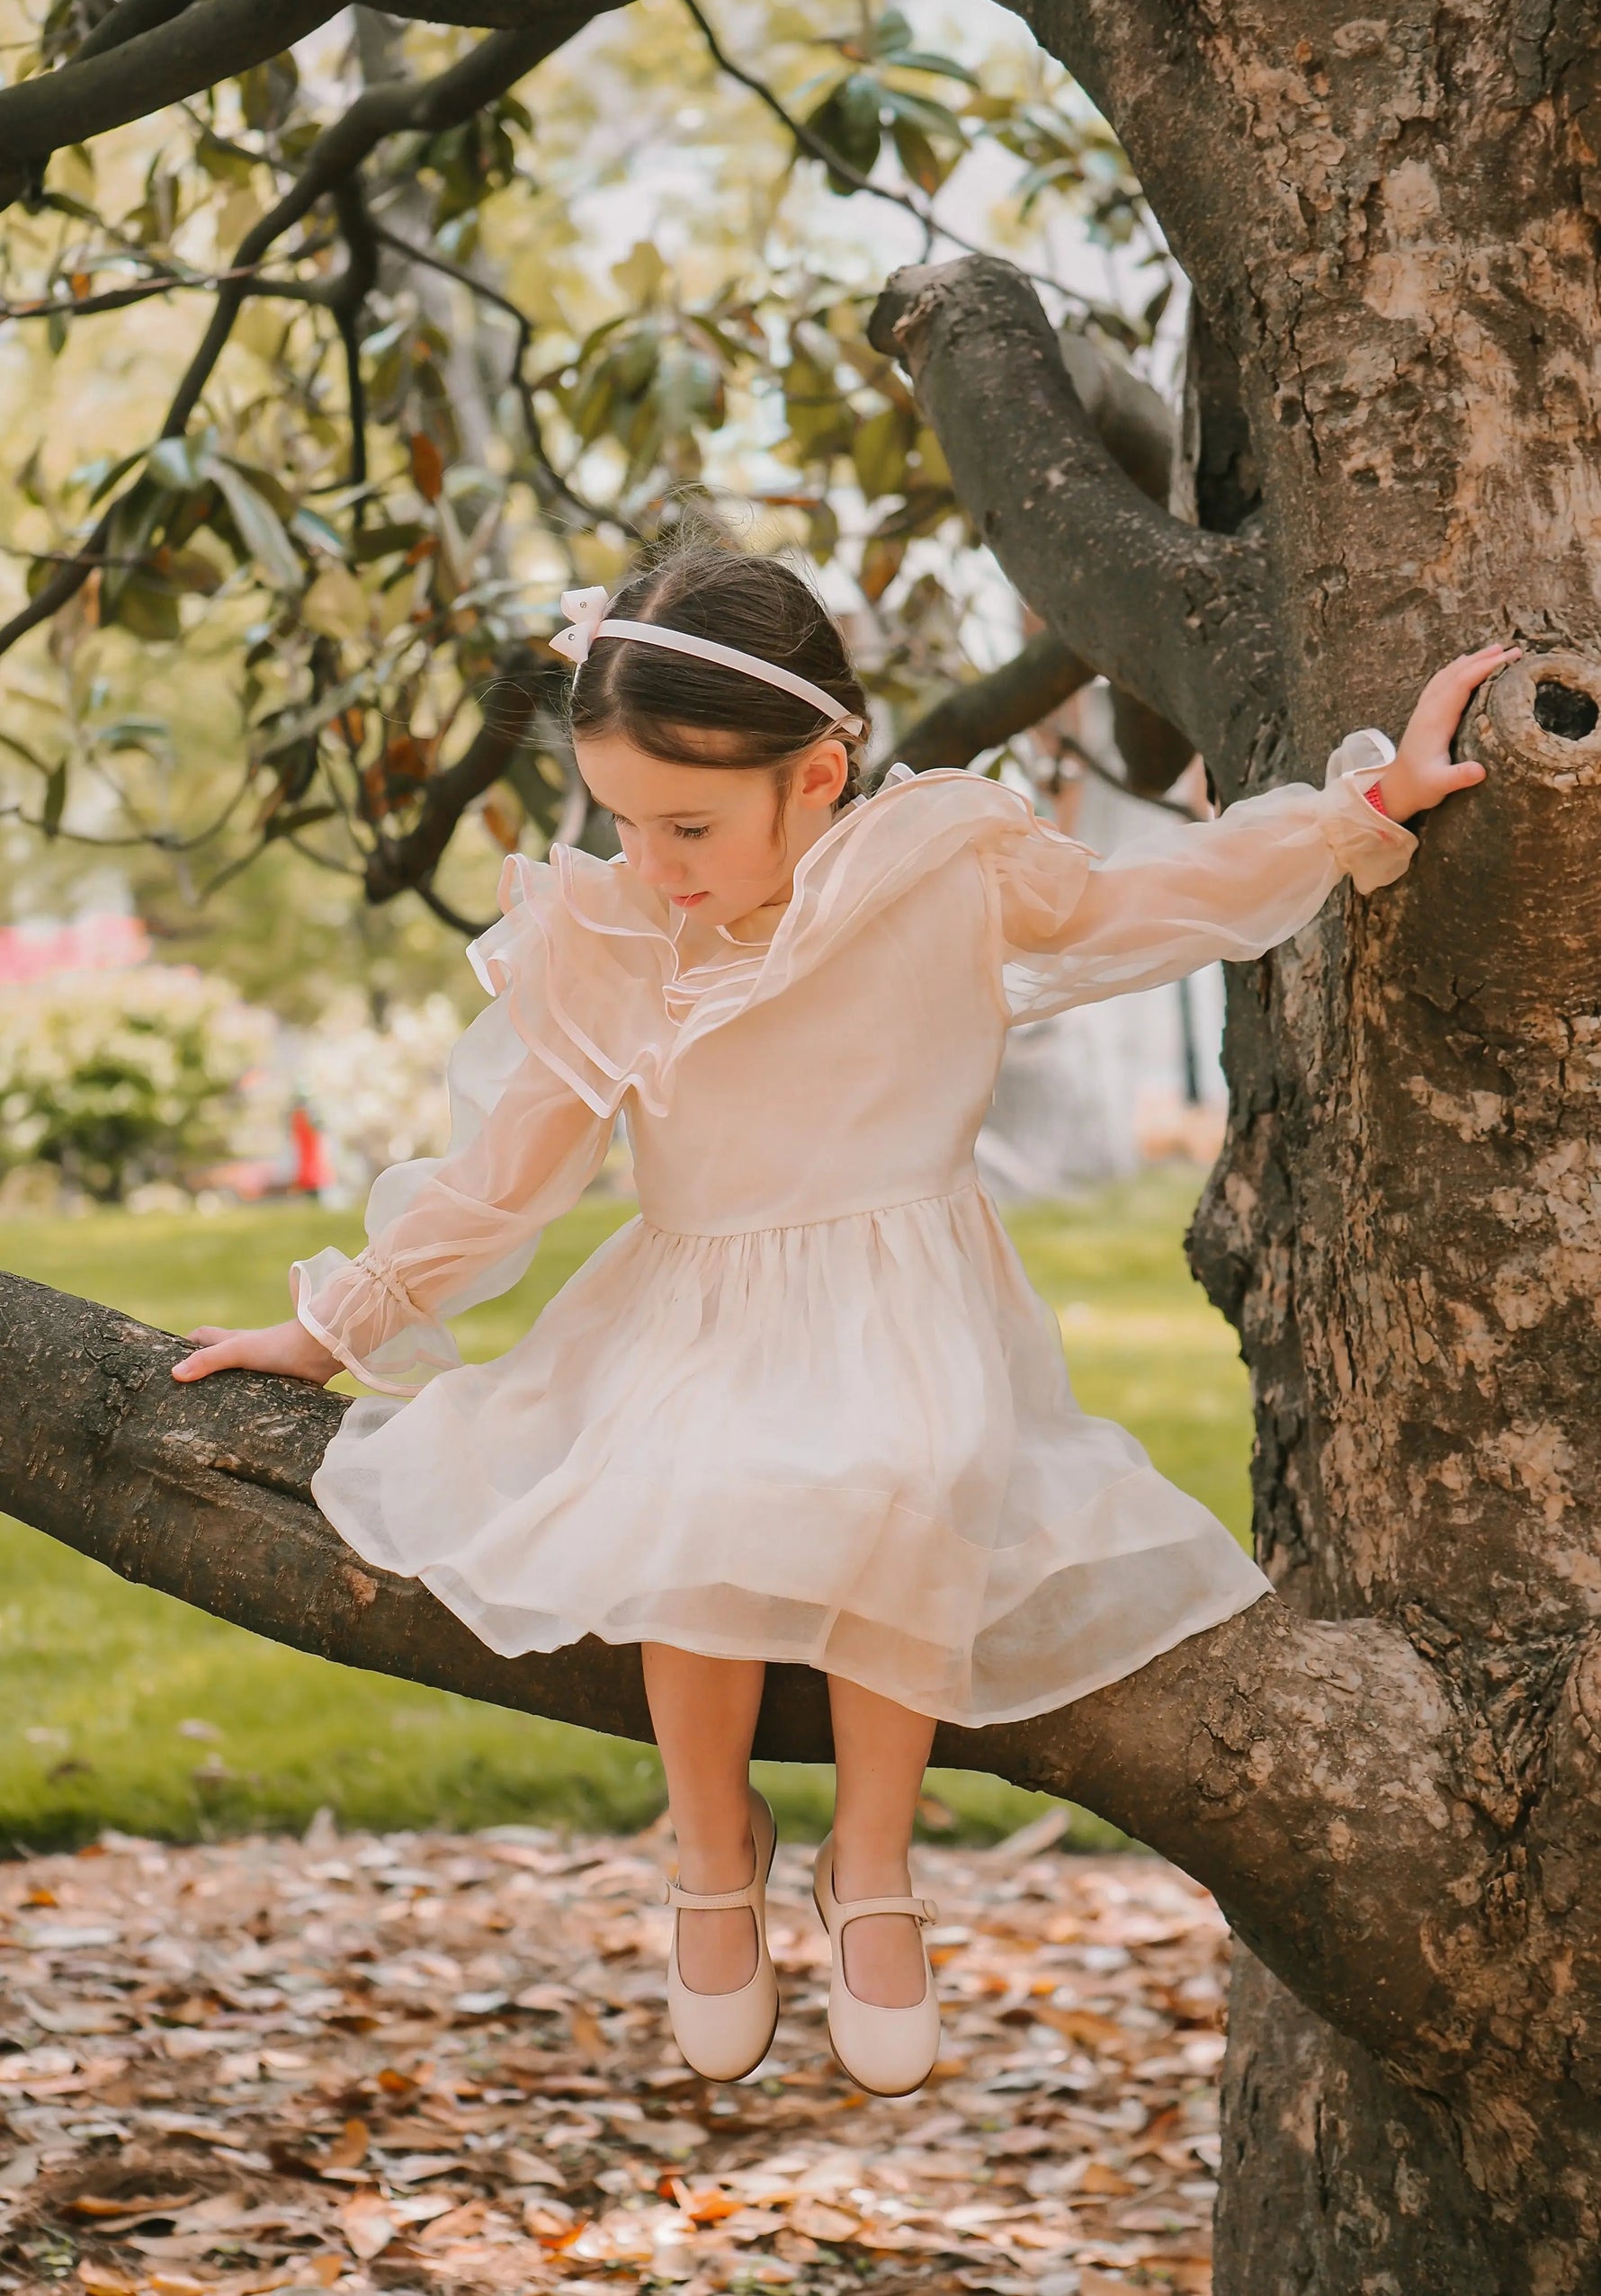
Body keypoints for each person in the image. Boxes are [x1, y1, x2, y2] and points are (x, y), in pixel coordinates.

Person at [172, 542, 1512, 2095]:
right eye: (620, 819)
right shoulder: (617, 936)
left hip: (901, 1286)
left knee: (914, 1464)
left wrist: (1362, 811)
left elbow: (1153, 898)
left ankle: (872, 1862)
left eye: (689, 822)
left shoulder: (944, 863)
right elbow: (511, 1168)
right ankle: (709, 1836)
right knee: (692, 1484)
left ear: (819, 774)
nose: (655, 858)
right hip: (699, 1292)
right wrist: (342, 1321)